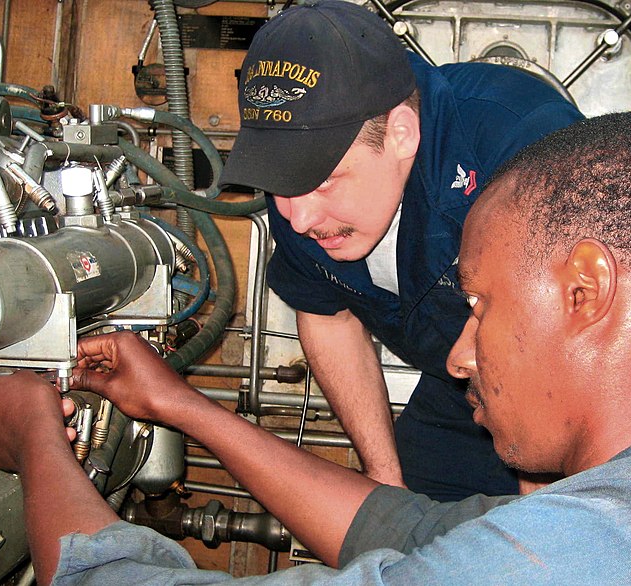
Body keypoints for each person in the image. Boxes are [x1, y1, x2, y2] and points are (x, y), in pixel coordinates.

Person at [0, 112, 631, 585]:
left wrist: (36, 436)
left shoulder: (593, 558)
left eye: (480, 306)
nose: (458, 356)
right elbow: (405, 532)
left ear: (586, 292)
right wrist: (179, 406)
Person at [218, 0, 584, 501]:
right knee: (404, 531)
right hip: (461, 387)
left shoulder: (515, 134)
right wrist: (384, 482)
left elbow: (568, 329)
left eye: (323, 181)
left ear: (400, 134)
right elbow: (329, 317)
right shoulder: (296, 195)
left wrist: (540, 501)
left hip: (577, 388)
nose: (297, 219)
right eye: (282, 186)